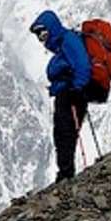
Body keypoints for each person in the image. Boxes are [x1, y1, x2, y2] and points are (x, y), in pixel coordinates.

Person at [30, 10, 93, 182]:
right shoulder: (62, 45)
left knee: (65, 132)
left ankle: (66, 174)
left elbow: (82, 64)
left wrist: (77, 87)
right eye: (39, 36)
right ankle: (65, 172)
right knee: (62, 132)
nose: (42, 39)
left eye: (43, 33)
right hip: (66, 92)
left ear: (52, 28)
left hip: (71, 93)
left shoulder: (68, 40)